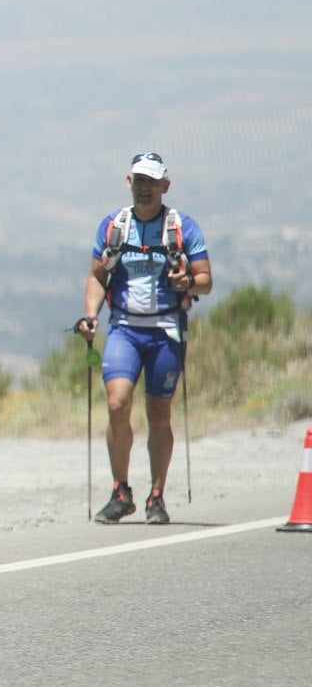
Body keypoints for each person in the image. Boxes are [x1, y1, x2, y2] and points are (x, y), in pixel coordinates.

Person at [75, 152, 210, 525]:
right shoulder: (113, 226)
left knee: (158, 413)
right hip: (124, 329)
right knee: (117, 405)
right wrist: (90, 315)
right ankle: (121, 492)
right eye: (139, 180)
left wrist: (187, 282)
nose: (145, 188)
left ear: (165, 186)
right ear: (129, 182)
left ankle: (156, 495)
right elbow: (98, 278)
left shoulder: (183, 227)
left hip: (166, 330)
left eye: (152, 181)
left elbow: (206, 281)